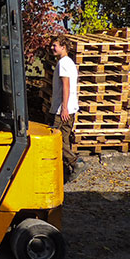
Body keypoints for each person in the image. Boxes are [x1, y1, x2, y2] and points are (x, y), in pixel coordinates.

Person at [48, 35, 86, 182]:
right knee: (63, 140)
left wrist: (63, 108)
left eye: (55, 45)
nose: (52, 48)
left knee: (56, 142)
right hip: (68, 108)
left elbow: (66, 85)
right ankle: (64, 174)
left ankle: (76, 163)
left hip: (62, 110)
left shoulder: (63, 63)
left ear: (63, 47)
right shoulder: (69, 62)